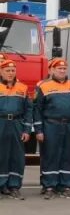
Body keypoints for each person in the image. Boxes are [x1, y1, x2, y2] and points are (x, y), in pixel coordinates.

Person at [34, 59, 70, 199]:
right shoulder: (43, 86)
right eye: (59, 68)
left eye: (64, 68)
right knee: (50, 154)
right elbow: (37, 109)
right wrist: (38, 130)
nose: (62, 71)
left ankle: (66, 186)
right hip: (51, 125)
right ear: (51, 70)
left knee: (69, 156)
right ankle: (49, 186)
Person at [0, 59, 32, 200]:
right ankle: (1, 185)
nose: (10, 73)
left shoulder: (23, 88)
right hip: (1, 123)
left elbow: (28, 110)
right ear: (1, 72)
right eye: (7, 70)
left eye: (13, 71)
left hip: (17, 124)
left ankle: (14, 186)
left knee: (17, 156)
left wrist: (26, 129)